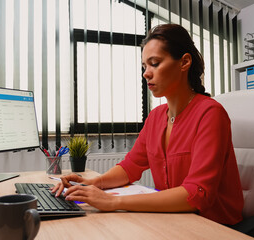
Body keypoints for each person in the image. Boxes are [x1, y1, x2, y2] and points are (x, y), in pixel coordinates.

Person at [52, 24, 244, 225]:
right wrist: (94, 183)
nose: (146, 73)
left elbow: (196, 194)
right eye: (145, 66)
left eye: (155, 63)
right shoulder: (155, 117)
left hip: (214, 226)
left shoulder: (210, 114)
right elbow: (130, 167)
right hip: (176, 220)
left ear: (184, 62)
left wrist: (111, 201)